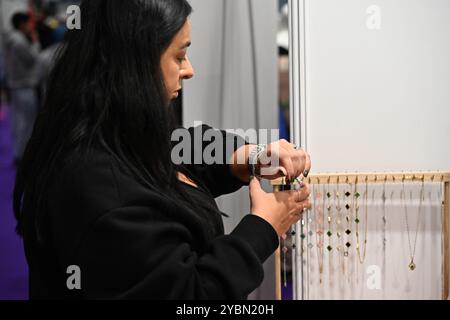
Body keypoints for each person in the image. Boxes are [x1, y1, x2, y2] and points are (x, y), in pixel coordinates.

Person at [14, 0, 311, 300]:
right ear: (134, 63)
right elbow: (191, 295)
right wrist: (262, 228)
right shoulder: (100, 190)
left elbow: (179, 146)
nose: (189, 70)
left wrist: (251, 156)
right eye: (179, 56)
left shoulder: (107, 126)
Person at [3, 12, 40, 166]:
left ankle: (19, 153)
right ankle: (25, 154)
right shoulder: (19, 42)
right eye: (27, 23)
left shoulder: (9, 40)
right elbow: (32, 59)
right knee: (28, 122)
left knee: (17, 122)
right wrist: (36, 43)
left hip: (14, 85)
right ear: (21, 24)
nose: (29, 26)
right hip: (25, 86)